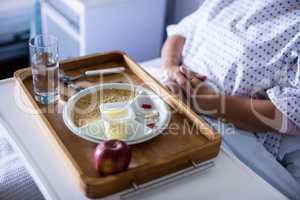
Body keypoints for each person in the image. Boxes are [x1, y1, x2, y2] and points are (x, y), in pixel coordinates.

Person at [161, 0, 300, 199]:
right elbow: (181, 32)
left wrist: (209, 102)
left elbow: (289, 114)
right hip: (172, 87)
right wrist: (172, 70)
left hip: (227, 125)